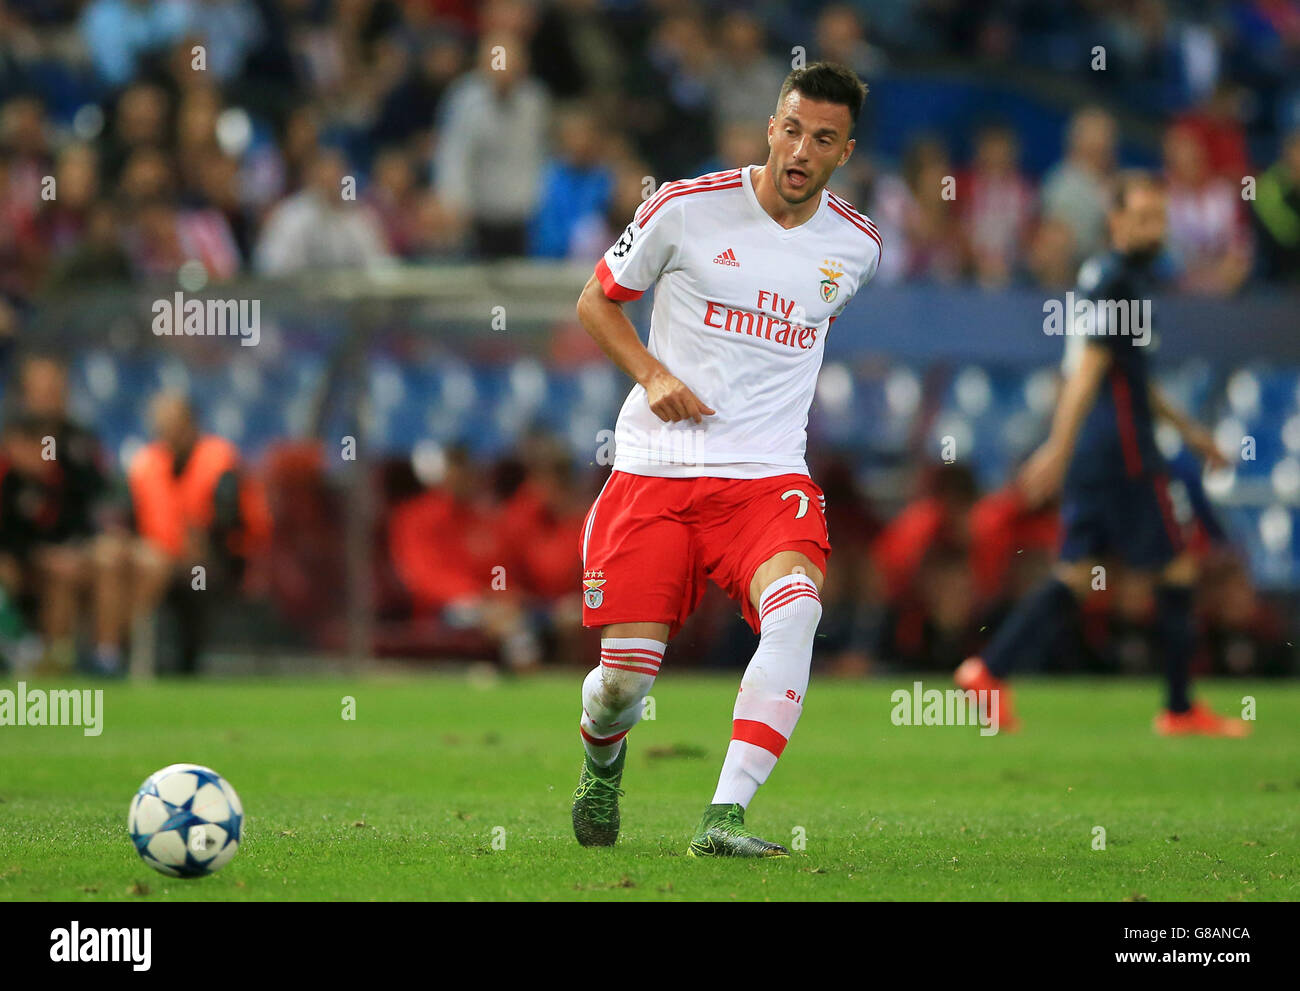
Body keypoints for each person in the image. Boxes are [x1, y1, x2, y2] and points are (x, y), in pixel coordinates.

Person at [570, 62, 881, 856]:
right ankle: (602, 759)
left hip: (766, 478)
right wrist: (655, 375)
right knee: (624, 686)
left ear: (845, 151)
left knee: (799, 606)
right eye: (790, 129)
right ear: (771, 126)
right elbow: (594, 301)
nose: (800, 150)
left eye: (822, 138)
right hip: (656, 467)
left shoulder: (857, 248)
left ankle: (725, 814)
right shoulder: (684, 206)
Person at [955, 171, 1249, 737]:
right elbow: (1090, 367)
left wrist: (1190, 432)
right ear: (1114, 221)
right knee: (1178, 563)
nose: (1153, 229)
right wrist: (1056, 447)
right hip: (1123, 449)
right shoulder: (1119, 281)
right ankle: (1181, 709)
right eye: (1141, 218)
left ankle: (988, 670)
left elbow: (1126, 372)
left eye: (1159, 218)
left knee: (1075, 571)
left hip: (1100, 445)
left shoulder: (1105, 278)